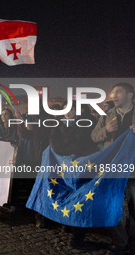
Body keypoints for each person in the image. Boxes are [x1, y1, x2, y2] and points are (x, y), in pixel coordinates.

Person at [91, 83, 135, 254]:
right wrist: (106, 130)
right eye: (113, 92)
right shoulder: (107, 115)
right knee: (109, 207)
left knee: (133, 210)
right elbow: (94, 136)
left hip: (132, 171)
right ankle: (121, 242)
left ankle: (132, 244)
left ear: (130, 95)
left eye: (119, 92)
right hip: (112, 170)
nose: (114, 96)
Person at [50, 101, 97, 248]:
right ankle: (68, 224)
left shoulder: (84, 124)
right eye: (64, 109)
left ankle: (78, 235)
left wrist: (64, 149)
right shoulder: (58, 124)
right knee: (67, 195)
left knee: (79, 199)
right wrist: (64, 150)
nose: (66, 111)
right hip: (65, 167)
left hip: (81, 167)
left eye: (70, 109)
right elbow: (54, 143)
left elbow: (80, 144)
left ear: (79, 110)